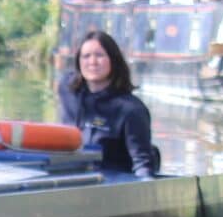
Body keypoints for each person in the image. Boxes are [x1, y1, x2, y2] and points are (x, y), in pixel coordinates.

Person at [58, 30, 160, 178]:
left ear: (113, 60)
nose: (92, 62)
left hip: (112, 183)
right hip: (73, 177)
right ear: (78, 62)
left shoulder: (131, 110)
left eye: (99, 55)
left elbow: (142, 164)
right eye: (86, 56)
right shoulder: (68, 90)